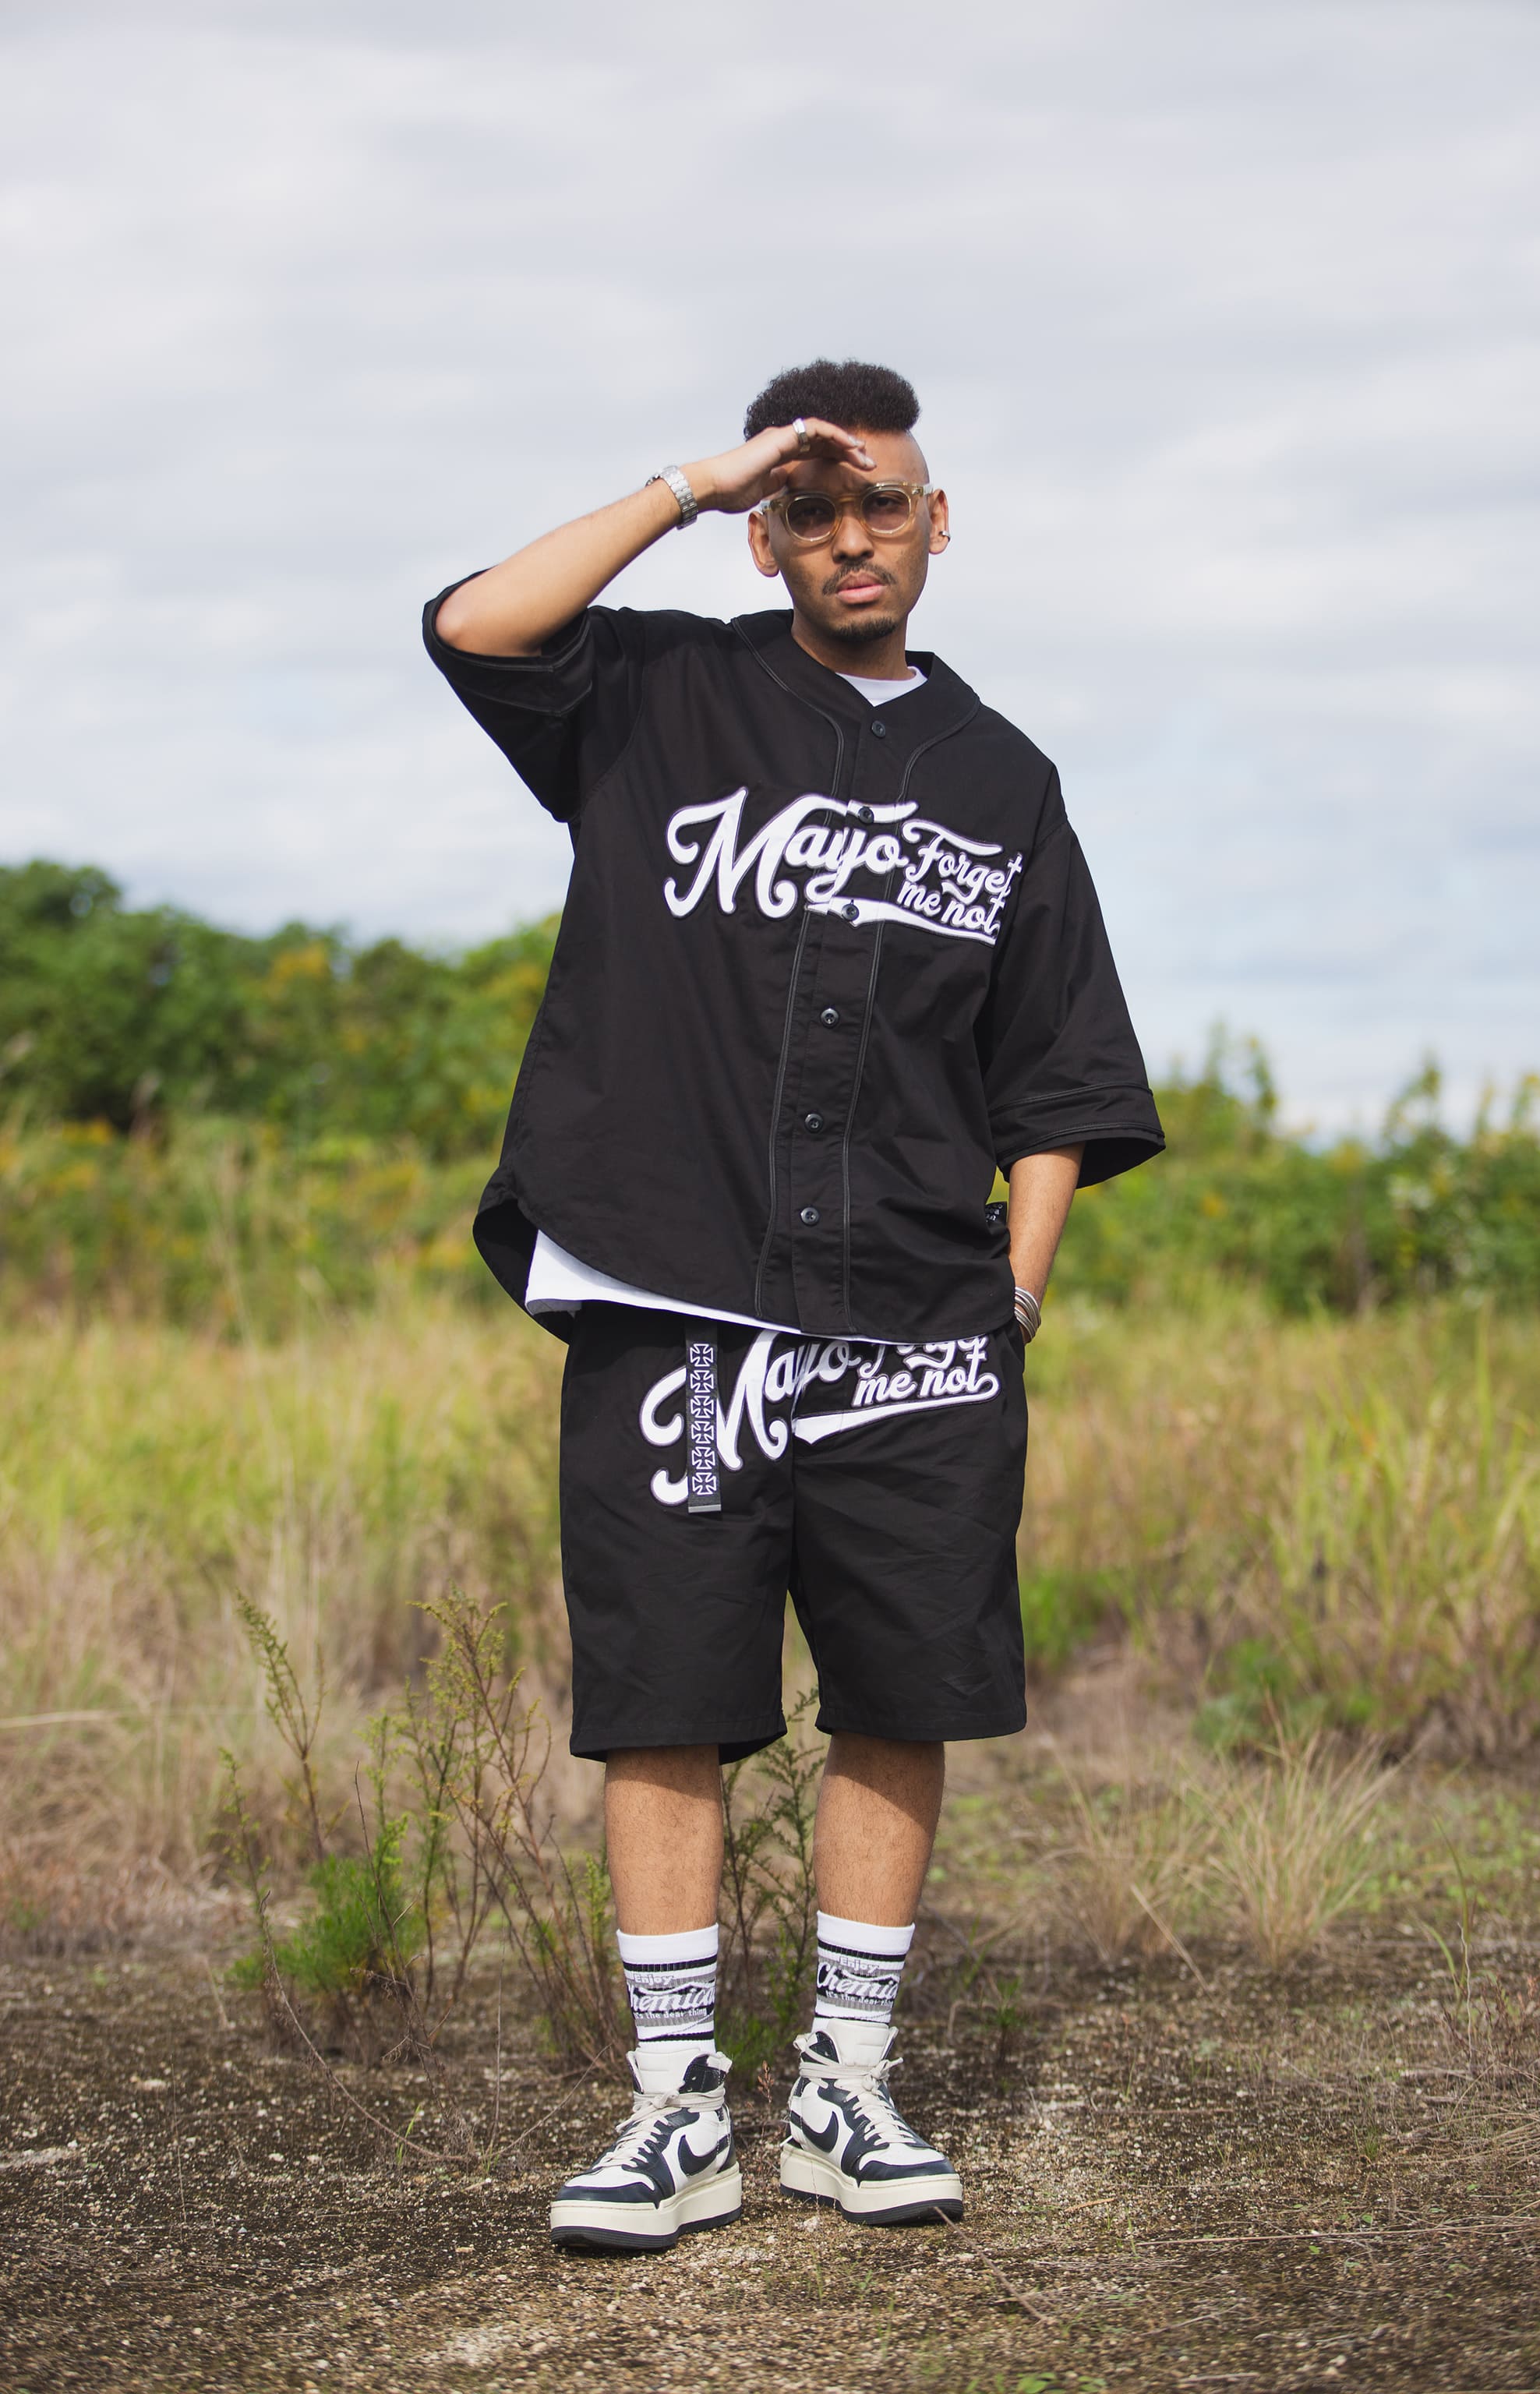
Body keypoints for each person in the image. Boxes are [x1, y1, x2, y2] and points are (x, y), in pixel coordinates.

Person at [423, 358, 1162, 2252]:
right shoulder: (657, 690)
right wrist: (693, 480)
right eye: (809, 512)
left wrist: (1012, 1296)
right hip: (672, 1290)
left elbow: (1058, 1073)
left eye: (881, 505)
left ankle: (847, 2084)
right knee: (663, 1698)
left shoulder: (1001, 780)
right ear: (767, 538)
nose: (849, 538)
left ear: (937, 523)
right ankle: (675, 2109)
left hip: (917, 1317)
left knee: (903, 1689)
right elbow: (475, 624)